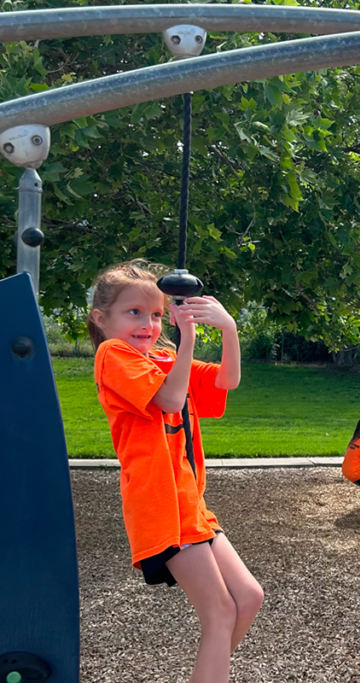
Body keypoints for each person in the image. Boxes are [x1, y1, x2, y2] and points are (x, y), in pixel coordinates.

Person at [89, 260, 263, 683]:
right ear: (101, 318)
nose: (147, 323)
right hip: (159, 504)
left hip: (189, 503)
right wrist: (188, 340)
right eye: (134, 312)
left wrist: (228, 330)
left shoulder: (161, 358)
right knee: (220, 611)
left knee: (248, 597)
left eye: (154, 314)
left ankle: (208, 671)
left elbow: (227, 380)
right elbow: (169, 400)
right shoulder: (114, 355)